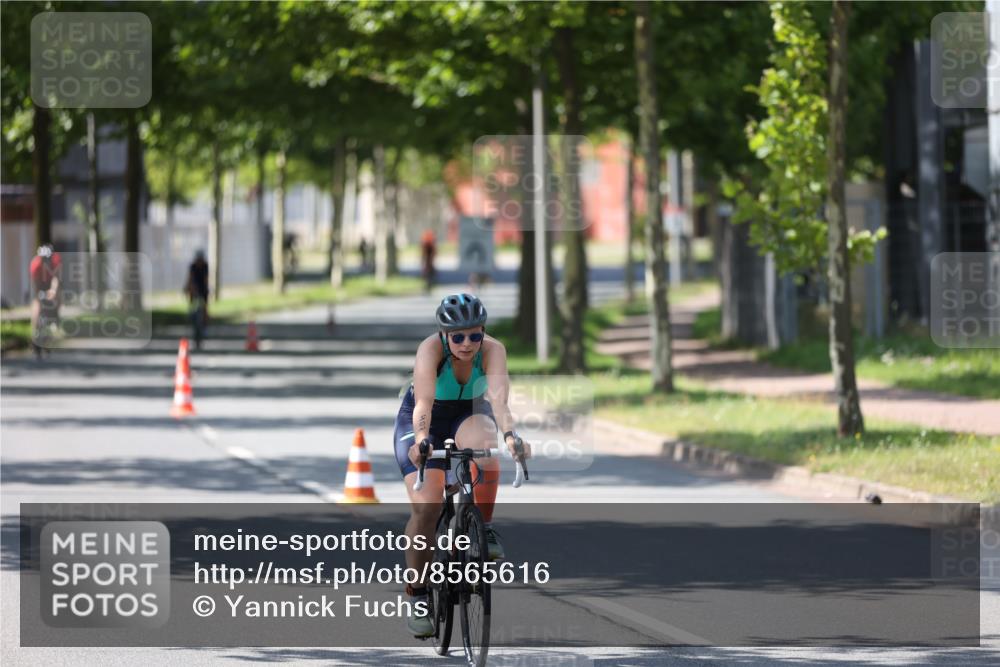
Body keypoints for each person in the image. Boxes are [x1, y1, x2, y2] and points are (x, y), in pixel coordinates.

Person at [393, 293, 532, 637]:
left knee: (487, 444)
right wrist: (423, 440)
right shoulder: (430, 351)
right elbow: (423, 402)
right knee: (427, 505)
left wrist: (512, 435)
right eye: (458, 336)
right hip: (425, 418)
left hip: (469, 411)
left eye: (475, 334)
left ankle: (480, 527)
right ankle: (419, 594)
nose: (467, 343)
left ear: (483, 331)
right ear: (444, 335)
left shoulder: (493, 351)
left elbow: (499, 402)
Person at [29, 244, 62, 358]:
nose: (46, 262)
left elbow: (56, 279)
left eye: (47, 259)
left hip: (50, 282)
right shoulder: (35, 264)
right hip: (39, 284)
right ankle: (34, 333)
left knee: (57, 296)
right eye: (44, 260)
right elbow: (35, 283)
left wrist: (53, 291)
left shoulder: (55, 261)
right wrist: (39, 296)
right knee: (37, 306)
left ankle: (56, 317)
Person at [185, 250, 209, 348]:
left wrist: (206, 292)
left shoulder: (205, 266)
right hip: (194, 292)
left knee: (204, 311)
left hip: (203, 292)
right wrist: (190, 289)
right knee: (193, 311)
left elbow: (206, 279)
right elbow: (190, 278)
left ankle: (204, 325)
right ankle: (192, 321)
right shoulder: (193, 266)